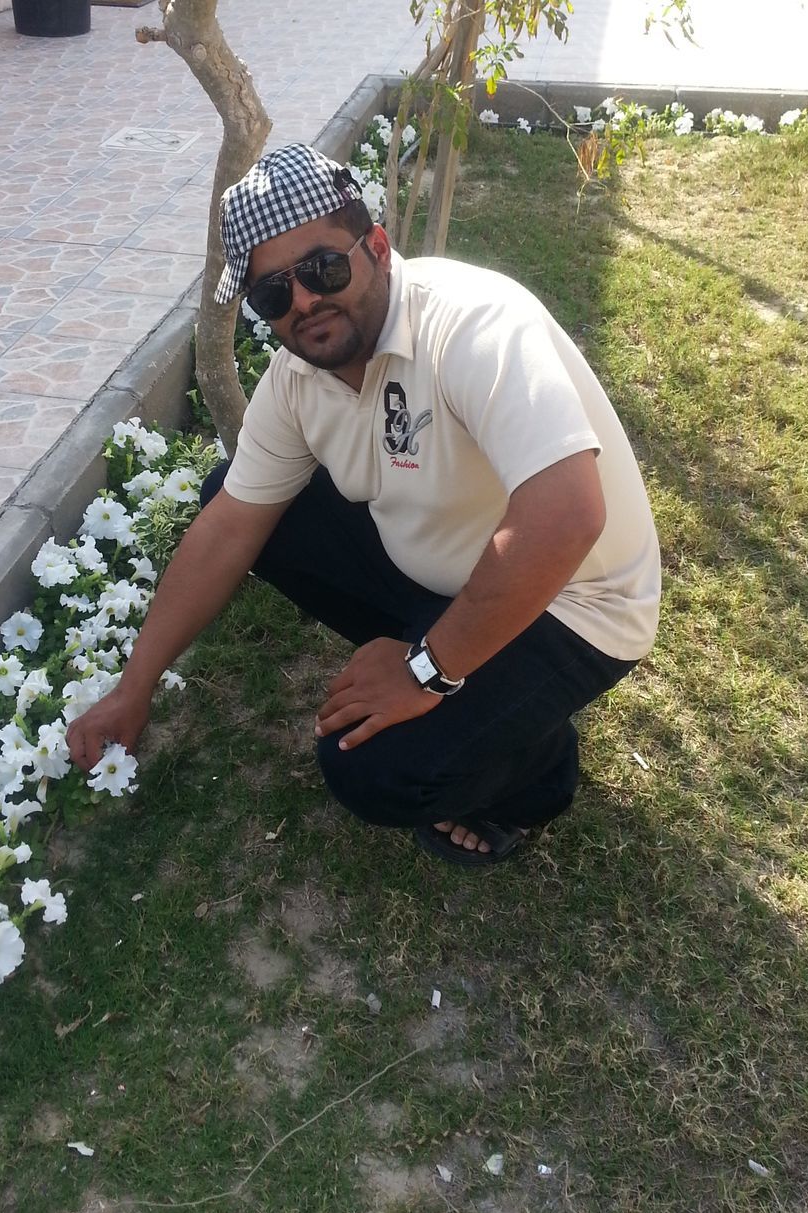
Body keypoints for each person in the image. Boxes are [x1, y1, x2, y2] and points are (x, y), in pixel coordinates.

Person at [67, 143, 661, 866]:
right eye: (273, 294)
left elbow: (567, 515)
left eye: (323, 268)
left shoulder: (470, 322)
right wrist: (134, 688)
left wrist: (426, 669)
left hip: (577, 600)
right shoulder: (298, 378)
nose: (305, 302)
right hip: (453, 572)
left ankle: (539, 775)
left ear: (376, 246)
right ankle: (477, 679)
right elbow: (228, 530)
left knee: (374, 772)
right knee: (236, 496)